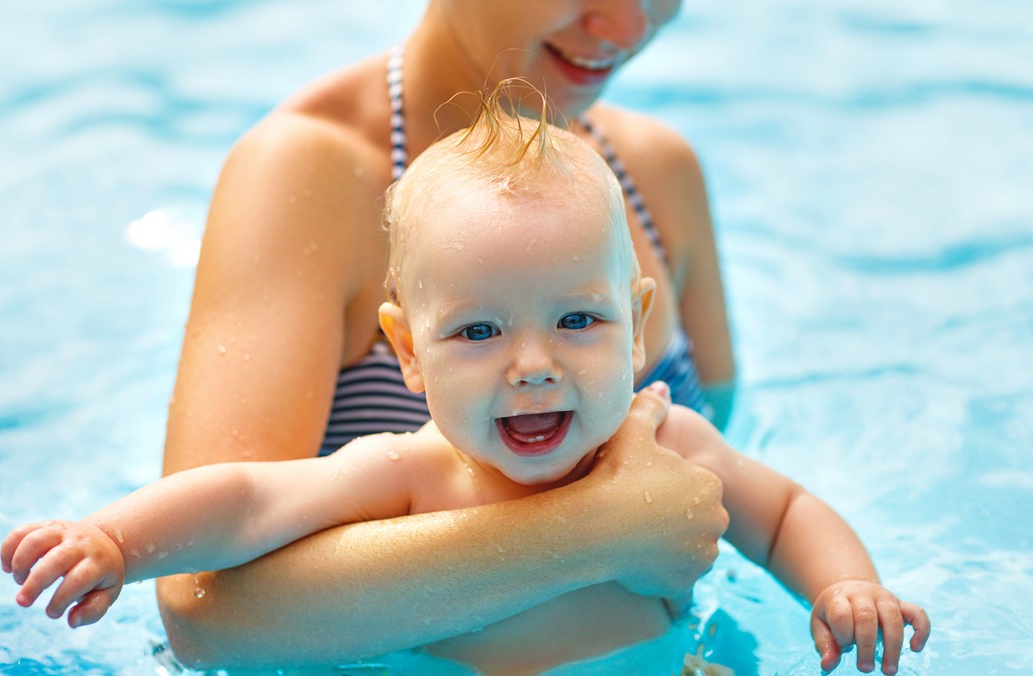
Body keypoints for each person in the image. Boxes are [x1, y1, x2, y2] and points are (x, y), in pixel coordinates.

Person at [2, 101, 929, 675]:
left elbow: (785, 512)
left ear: (639, 322)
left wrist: (846, 588)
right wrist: (117, 540)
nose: (533, 364)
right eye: (479, 332)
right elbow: (246, 499)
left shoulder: (670, 444)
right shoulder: (407, 473)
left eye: (578, 320)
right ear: (408, 352)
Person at [155, 0, 734, 664]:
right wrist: (598, 532)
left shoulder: (657, 169)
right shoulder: (310, 173)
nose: (628, 30)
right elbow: (202, 611)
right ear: (408, 345)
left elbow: (731, 456)